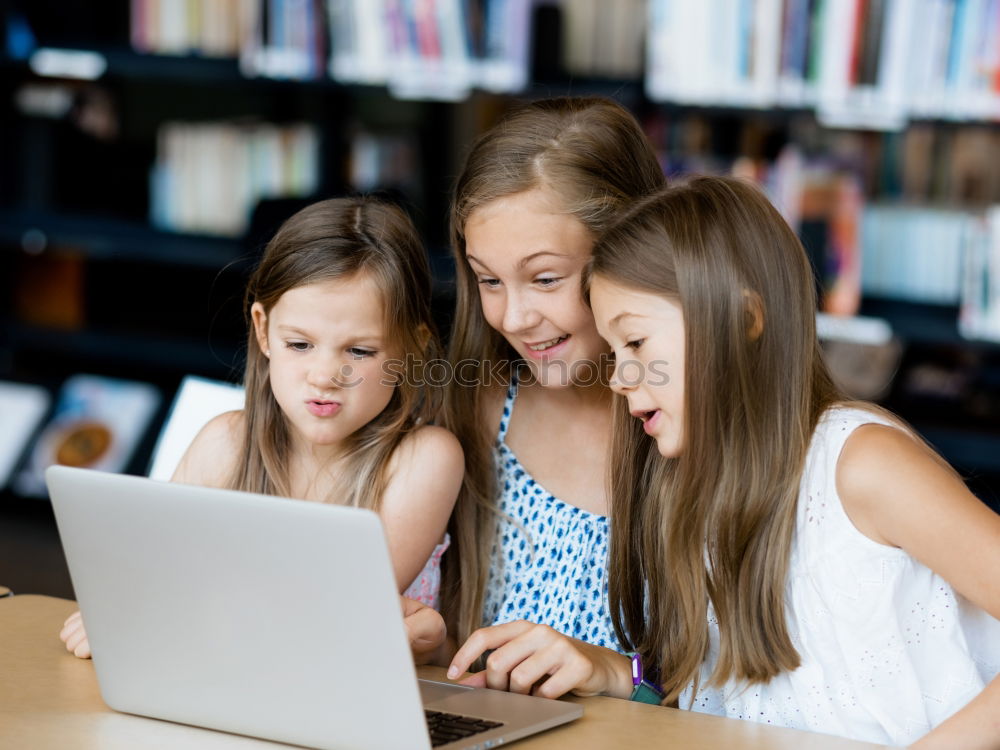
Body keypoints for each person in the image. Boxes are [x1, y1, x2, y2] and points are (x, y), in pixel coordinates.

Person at [451, 175, 1000, 747]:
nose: (616, 377)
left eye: (635, 344)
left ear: (743, 321)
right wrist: (618, 673)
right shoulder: (692, 490)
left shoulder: (860, 463)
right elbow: (739, 706)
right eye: (613, 353)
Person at [61, 197, 464, 659]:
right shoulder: (224, 443)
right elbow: (154, 572)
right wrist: (119, 611)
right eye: (299, 344)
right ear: (262, 330)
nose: (325, 375)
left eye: (360, 352)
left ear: (411, 349)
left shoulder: (424, 459)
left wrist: (175, 602)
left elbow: (337, 607)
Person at [404, 96, 666, 668]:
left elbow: (751, 688)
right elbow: (466, 638)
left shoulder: (678, 425)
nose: (513, 317)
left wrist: (618, 671)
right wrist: (433, 642)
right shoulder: (472, 413)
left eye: (545, 279)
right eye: (488, 281)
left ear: (632, 252)